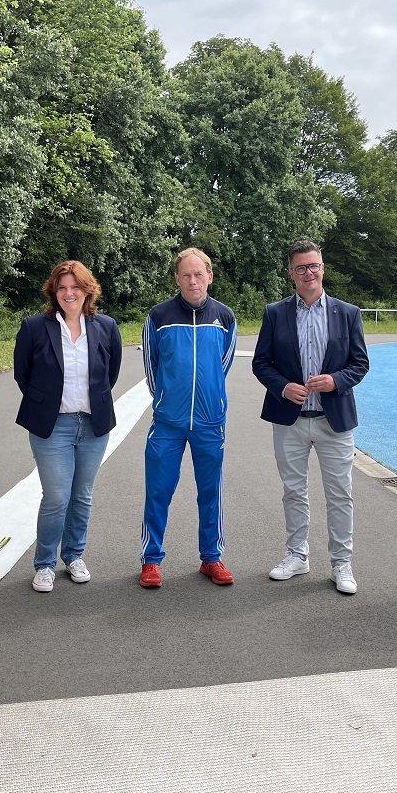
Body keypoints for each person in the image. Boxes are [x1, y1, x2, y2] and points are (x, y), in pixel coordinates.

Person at [252, 240, 369, 594]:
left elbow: (360, 364)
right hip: (290, 420)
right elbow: (261, 363)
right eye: (301, 268)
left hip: (333, 420)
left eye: (314, 266)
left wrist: (335, 380)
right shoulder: (275, 313)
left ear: (323, 268)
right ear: (291, 273)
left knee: (340, 493)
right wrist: (283, 387)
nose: (309, 273)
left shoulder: (347, 313)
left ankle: (341, 564)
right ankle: (297, 555)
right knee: (294, 490)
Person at [14, 261, 122, 593]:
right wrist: (46, 403)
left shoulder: (106, 326)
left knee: (82, 495)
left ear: (87, 290)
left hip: (93, 425)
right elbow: (23, 374)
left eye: (75, 287)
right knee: (57, 496)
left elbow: (111, 371)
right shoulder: (34, 327)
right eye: (62, 287)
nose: (68, 293)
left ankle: (74, 555)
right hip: (52, 426)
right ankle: (45, 563)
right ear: (54, 292)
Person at [139, 248, 237, 588]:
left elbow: (222, 366)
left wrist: (212, 403)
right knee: (158, 491)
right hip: (168, 422)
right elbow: (151, 369)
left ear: (210, 276)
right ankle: (151, 560)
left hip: (210, 423)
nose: (193, 281)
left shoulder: (224, 317)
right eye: (186, 275)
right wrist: (167, 401)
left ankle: (211, 558)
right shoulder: (159, 316)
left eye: (199, 274)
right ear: (177, 278)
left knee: (211, 492)